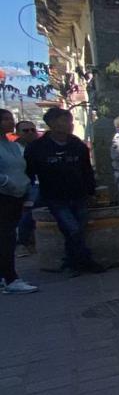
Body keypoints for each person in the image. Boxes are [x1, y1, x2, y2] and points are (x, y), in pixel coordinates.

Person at [25, 107, 103, 275]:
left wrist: (91, 192)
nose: (70, 125)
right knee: (72, 228)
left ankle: (72, 263)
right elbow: (29, 172)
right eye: (65, 121)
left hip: (79, 194)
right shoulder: (38, 147)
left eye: (70, 121)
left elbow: (87, 170)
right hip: (55, 197)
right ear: (52, 123)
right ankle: (83, 261)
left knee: (78, 229)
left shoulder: (77, 145)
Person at [0, 109, 37, 293]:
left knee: (8, 236)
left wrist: (24, 187)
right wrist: (7, 183)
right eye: (5, 119)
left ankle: (5, 276)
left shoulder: (13, 146)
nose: (10, 122)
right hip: (3, 196)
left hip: (17, 196)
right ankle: (10, 278)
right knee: (6, 237)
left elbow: (21, 169)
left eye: (11, 118)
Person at [13, 121, 38, 255]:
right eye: (26, 130)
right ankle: (22, 242)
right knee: (28, 212)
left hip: (40, 183)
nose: (30, 133)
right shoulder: (14, 149)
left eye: (32, 130)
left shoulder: (40, 146)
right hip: (23, 185)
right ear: (18, 133)